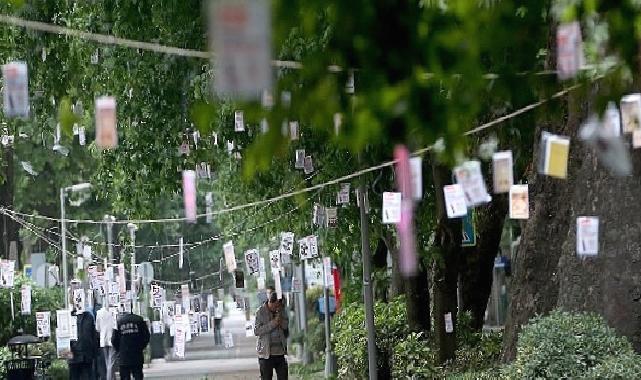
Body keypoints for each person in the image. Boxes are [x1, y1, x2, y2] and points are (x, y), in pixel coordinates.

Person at [254, 292, 289, 380]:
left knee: (283, 376)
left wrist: (280, 321)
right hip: (266, 353)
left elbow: (285, 326)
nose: (278, 308)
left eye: (280, 306)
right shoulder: (260, 312)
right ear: (271, 302)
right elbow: (257, 331)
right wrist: (273, 323)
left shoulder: (281, 310)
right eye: (276, 306)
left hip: (280, 352)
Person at [112, 311, 150, 380]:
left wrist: (119, 350)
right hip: (137, 354)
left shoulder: (119, 322)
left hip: (124, 355)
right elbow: (146, 336)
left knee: (125, 376)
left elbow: (114, 340)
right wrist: (141, 347)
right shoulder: (139, 320)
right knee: (138, 375)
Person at [68, 310, 99, 380]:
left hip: (87, 356)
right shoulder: (68, 316)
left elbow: (93, 336)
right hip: (73, 356)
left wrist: (94, 353)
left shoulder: (89, 316)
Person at [96, 305, 116, 380]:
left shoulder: (99, 313)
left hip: (103, 340)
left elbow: (97, 328)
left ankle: (111, 378)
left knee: (107, 362)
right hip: (113, 339)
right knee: (111, 363)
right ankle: (110, 378)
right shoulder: (114, 312)